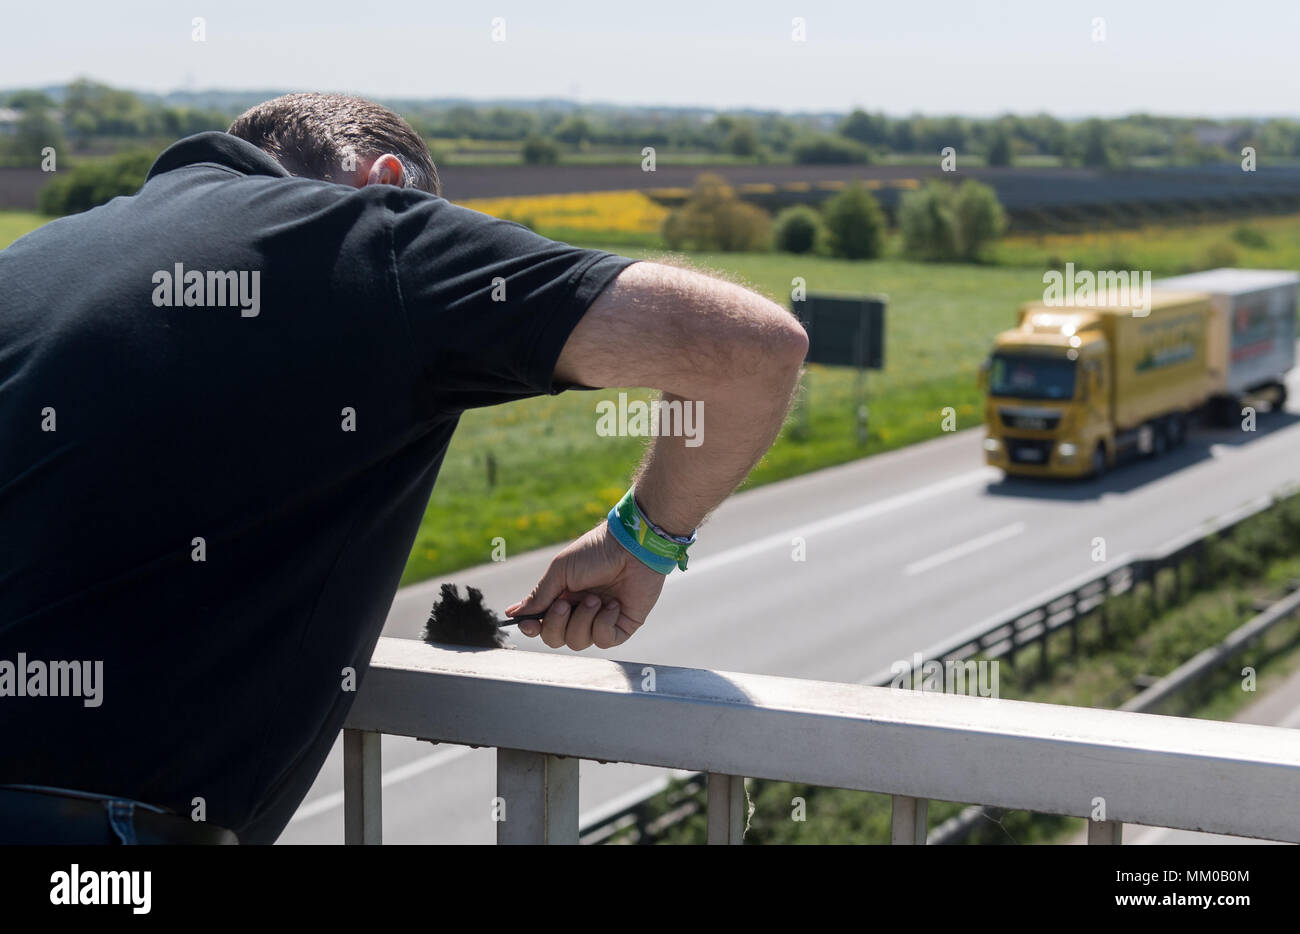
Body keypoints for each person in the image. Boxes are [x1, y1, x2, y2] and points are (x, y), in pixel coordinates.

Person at [0, 93, 808, 844]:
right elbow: (749, 352)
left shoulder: (34, 261)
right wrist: (641, 540)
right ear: (388, 180)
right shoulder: (372, 233)